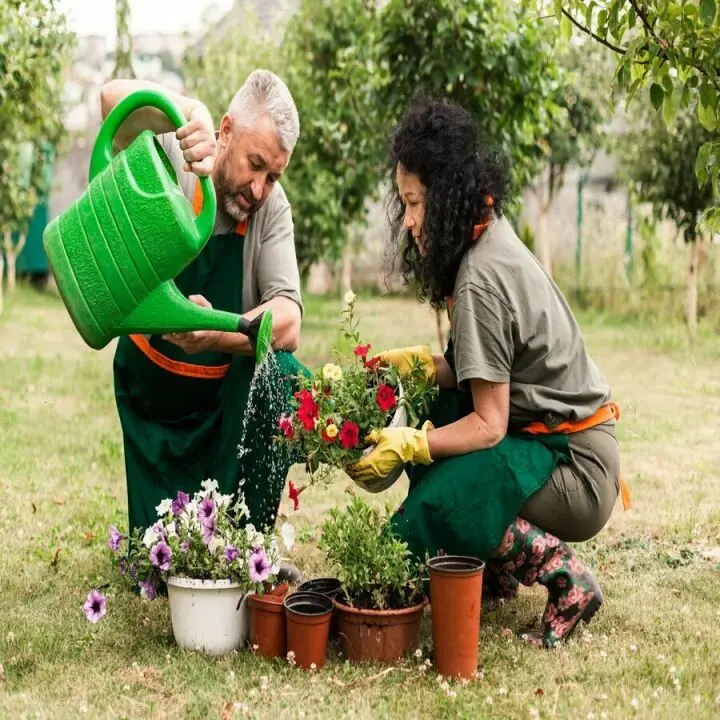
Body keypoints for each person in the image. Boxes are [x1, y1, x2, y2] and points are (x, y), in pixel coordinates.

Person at [347, 97, 625, 648]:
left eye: (415, 203)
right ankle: (493, 571)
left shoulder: (479, 279)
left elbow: (489, 424)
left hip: (578, 469)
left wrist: (410, 444)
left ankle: (570, 583)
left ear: (447, 198)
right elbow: (487, 370)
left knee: (451, 496)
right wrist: (426, 366)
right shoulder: (488, 234)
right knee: (438, 414)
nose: (408, 220)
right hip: (555, 442)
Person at [100, 70, 307, 574]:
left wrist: (218, 327)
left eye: (273, 175)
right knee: (165, 570)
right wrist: (190, 110)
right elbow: (110, 100)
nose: (259, 188)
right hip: (156, 402)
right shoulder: (178, 155)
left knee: (285, 378)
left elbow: (289, 321)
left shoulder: (271, 210)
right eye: (255, 165)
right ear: (227, 130)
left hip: (220, 408)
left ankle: (252, 550)